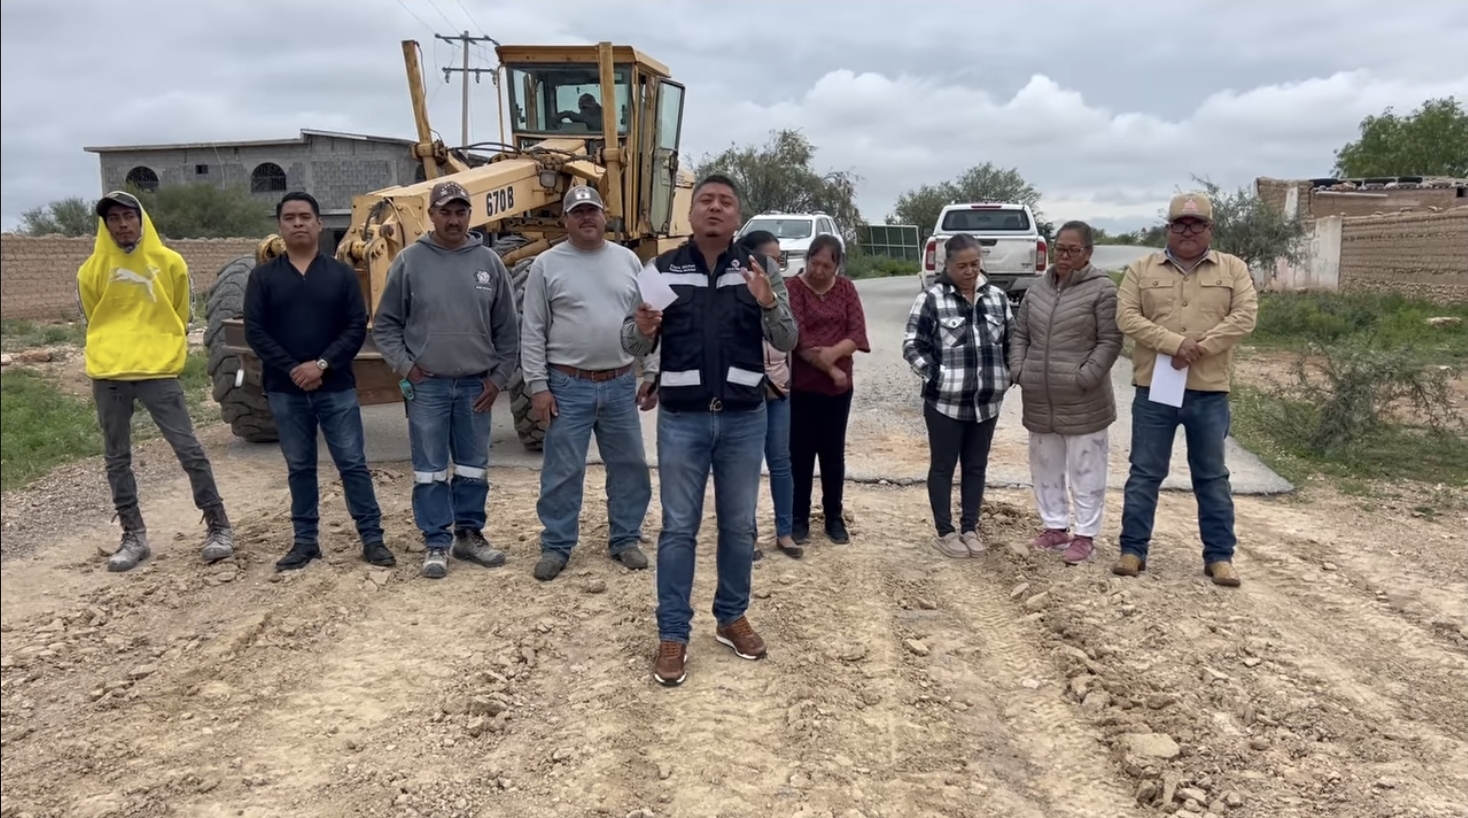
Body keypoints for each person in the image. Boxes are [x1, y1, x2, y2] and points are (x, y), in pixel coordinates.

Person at [621, 174, 799, 688]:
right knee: (678, 528)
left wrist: (767, 302)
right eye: (706, 201)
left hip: (745, 418)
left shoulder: (760, 269)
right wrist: (643, 330)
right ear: (692, 213)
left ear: (738, 216)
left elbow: (787, 338)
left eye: (726, 202)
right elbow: (630, 342)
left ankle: (730, 617)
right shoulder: (662, 270)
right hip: (683, 420)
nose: (715, 208)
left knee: (740, 527)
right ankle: (673, 633)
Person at [77, 190, 234, 572]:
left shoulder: (170, 262)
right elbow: (93, 315)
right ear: (106, 225)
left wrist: (160, 346)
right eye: (113, 218)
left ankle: (218, 525)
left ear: (141, 219)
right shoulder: (91, 270)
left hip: (158, 371)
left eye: (128, 215)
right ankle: (133, 535)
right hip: (109, 373)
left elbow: (180, 312)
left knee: (189, 450)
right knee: (117, 458)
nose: (122, 224)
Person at [373, 180, 520, 579]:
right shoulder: (409, 262)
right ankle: (436, 541)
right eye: (445, 212)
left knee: (473, 467)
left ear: (469, 216)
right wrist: (407, 368)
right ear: (431, 215)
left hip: (477, 387)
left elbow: (508, 329)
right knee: (430, 469)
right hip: (429, 387)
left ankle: (469, 535)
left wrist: (499, 378)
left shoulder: (489, 263)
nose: (453, 220)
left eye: (460, 212)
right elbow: (385, 325)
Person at [243, 192, 394, 572]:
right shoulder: (263, 278)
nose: (298, 223)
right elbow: (256, 332)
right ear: (279, 225)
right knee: (300, 467)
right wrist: (295, 368)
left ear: (319, 224)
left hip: (337, 387)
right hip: (285, 390)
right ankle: (305, 541)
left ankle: (372, 539)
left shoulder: (341, 275)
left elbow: (355, 327)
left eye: (305, 216)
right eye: (290, 217)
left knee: (353, 465)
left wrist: (321, 364)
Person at [1114, 192, 1258, 587]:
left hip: (1208, 392)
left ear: (1210, 229)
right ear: (1168, 228)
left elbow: (1244, 317)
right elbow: (1126, 316)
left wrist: (1199, 348)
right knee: (1144, 473)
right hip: (1154, 391)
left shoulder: (1233, 269)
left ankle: (1219, 557)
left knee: (1211, 476)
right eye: (1180, 223)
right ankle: (1132, 551)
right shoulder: (1142, 269)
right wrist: (1172, 343)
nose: (1188, 231)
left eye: (1196, 224)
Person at [520, 186, 658, 582]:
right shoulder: (546, 265)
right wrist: (537, 386)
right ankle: (557, 545)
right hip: (567, 385)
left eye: (592, 210)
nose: (586, 218)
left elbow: (647, 320)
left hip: (618, 383)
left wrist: (651, 371)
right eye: (577, 212)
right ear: (565, 220)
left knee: (630, 466)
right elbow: (532, 330)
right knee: (563, 470)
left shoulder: (628, 260)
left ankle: (626, 539)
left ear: (604, 215)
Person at [1009, 220, 1122, 566]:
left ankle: (1085, 535)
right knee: (1046, 466)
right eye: (1061, 248)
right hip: (1040, 397)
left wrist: (1085, 376)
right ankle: (1054, 527)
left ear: (1088, 252)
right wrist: (1019, 369)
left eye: (1074, 250)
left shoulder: (1102, 290)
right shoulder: (1036, 290)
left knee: (1086, 469)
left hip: (1083, 398)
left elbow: (1110, 340)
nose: (1065, 255)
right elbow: (1020, 334)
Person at [901, 233, 1013, 559]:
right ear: (947, 265)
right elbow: (912, 345)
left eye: (974, 264)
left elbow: (1012, 341)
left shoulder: (997, 299)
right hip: (944, 404)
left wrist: (1006, 374)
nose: (969, 271)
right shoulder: (931, 299)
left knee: (976, 467)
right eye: (961, 265)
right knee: (943, 467)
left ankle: (970, 528)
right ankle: (945, 531)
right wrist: (937, 374)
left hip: (987, 403)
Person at [787, 235, 871, 545]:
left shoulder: (846, 288)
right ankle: (799, 517)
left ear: (837, 265)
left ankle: (833, 517)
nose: (819, 271)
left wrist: (832, 355)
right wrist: (830, 367)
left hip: (839, 389)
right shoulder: (793, 288)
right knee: (800, 454)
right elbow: (798, 337)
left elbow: (857, 333)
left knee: (833, 454)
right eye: (815, 263)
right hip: (802, 386)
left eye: (827, 265)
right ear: (807, 259)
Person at [736, 230, 799, 561]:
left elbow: (789, 337)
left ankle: (784, 532)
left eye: (780, 258)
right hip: (743, 391)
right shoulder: (736, 290)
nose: (777, 265)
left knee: (780, 462)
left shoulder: (779, 294)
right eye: (771, 258)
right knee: (745, 466)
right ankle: (748, 536)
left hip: (778, 389)